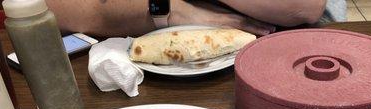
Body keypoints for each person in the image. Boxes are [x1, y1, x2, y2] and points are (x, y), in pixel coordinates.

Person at [46, 0, 329, 37]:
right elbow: (56, 8)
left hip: (277, 39)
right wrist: (176, 11)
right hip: (122, 61)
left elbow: (303, 6)